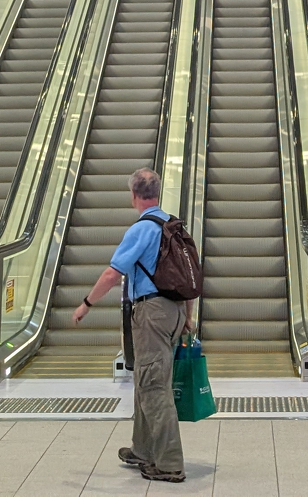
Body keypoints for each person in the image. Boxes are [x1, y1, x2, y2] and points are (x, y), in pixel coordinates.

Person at [73, 168, 185, 482]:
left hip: (152, 312)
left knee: (153, 387)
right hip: (174, 310)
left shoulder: (142, 229)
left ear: (133, 195)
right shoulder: (172, 225)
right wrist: (188, 315)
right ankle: (143, 450)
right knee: (146, 382)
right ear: (157, 193)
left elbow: (112, 274)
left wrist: (86, 304)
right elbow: (189, 273)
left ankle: (169, 463)